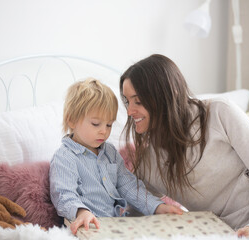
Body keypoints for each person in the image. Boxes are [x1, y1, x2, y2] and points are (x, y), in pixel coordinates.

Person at [119, 54, 249, 239]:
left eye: (138, 101)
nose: (129, 111)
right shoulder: (148, 163)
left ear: (167, 95)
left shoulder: (218, 112)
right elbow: (137, 208)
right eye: (127, 101)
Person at [49, 78, 183, 235]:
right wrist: (81, 212)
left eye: (109, 125)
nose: (104, 131)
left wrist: (157, 206)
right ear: (71, 120)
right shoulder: (65, 157)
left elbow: (129, 185)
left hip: (116, 225)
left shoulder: (110, 152)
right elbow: (64, 194)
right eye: (95, 124)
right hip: (86, 228)